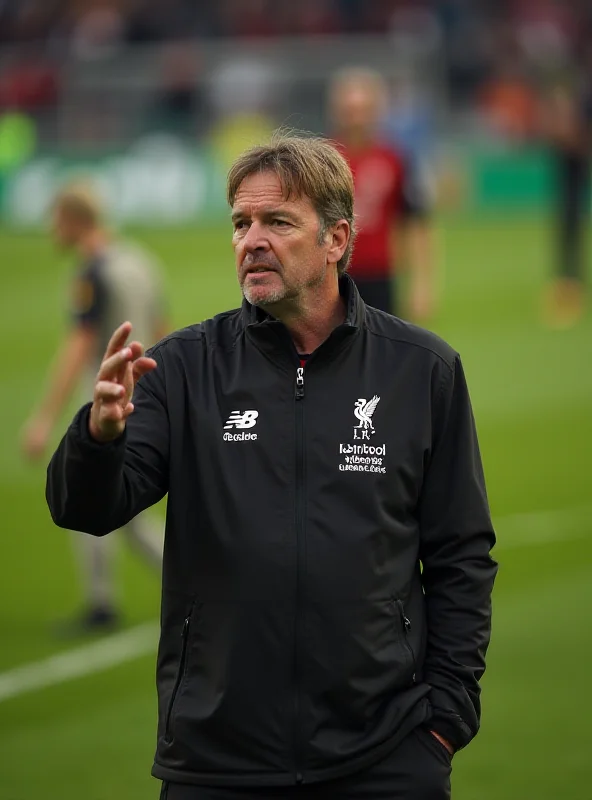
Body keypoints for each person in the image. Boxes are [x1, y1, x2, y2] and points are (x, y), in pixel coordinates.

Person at [46, 134, 497, 799]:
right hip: (216, 759)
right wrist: (98, 434)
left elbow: (461, 552)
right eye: (240, 223)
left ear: (336, 240)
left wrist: (445, 721)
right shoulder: (182, 369)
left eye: (277, 222)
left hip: (386, 757)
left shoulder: (422, 371)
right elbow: (86, 509)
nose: (251, 239)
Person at [22, 182, 167, 633]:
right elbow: (164, 330)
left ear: (72, 220)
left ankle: (102, 600)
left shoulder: (93, 273)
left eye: (55, 219)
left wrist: (44, 417)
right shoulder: (140, 260)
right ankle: (174, 582)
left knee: (91, 491)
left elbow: (78, 346)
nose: (51, 229)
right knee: (132, 509)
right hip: (144, 388)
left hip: (106, 398)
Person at [329, 67, 437, 321]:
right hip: (331, 275)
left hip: (380, 275)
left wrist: (421, 285)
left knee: (380, 353)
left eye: (364, 110)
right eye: (350, 110)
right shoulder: (322, 161)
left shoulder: (395, 158)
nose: (356, 118)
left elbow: (416, 223)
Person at [540, 67, 591, 328]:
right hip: (567, 187)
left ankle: (571, 288)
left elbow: (574, 142)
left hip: (573, 187)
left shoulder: (579, 117)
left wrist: (566, 131)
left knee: (571, 236)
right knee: (566, 235)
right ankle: (566, 286)